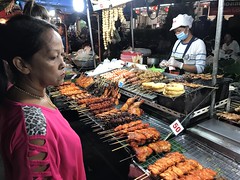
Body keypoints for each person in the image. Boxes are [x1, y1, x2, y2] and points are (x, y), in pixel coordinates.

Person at [0, 15, 86, 180]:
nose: (63, 63)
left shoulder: (30, 93)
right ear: (22, 65)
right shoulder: (33, 130)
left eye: (62, 54)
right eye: (53, 57)